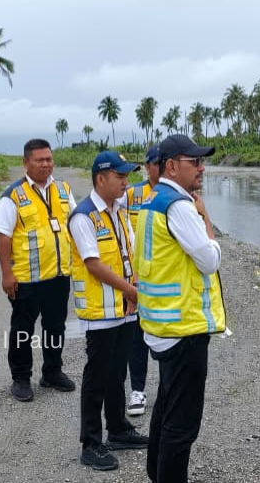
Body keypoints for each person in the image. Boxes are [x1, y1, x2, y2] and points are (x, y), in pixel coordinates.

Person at [134, 134, 225, 483]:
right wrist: (205, 220)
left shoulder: (152, 200)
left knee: (166, 409)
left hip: (161, 325)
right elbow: (209, 259)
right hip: (183, 329)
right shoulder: (179, 206)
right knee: (182, 424)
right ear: (172, 165)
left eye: (202, 161)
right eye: (195, 162)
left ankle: (156, 474)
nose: (201, 168)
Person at [69, 150, 150, 471]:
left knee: (118, 371)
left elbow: (127, 254)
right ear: (100, 178)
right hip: (102, 311)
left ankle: (117, 429)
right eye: (120, 177)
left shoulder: (118, 210)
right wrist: (131, 290)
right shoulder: (83, 216)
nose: (125, 182)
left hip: (125, 307)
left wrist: (134, 290)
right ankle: (91, 442)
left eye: (127, 176)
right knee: (97, 376)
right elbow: (94, 263)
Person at [0, 139, 77, 402]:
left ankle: (52, 372)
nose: (46, 164)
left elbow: (75, 223)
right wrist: (7, 274)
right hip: (27, 279)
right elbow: (3, 236)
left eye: (49, 159)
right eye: (39, 160)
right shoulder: (13, 196)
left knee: (55, 328)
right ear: (25, 162)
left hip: (58, 275)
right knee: (23, 330)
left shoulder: (63, 189)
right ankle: (20, 378)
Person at [121, 144, 160, 417]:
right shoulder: (132, 195)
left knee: (168, 336)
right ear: (147, 166)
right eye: (155, 163)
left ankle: (169, 390)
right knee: (136, 338)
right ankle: (137, 390)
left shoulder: (182, 197)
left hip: (169, 281)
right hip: (137, 279)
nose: (160, 167)